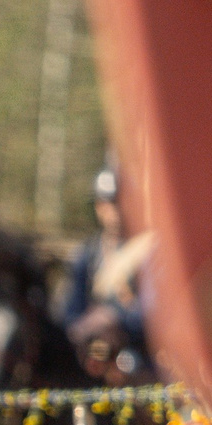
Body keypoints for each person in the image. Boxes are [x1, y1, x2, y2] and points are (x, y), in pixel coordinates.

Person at [59, 162, 155, 380]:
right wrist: (86, 329)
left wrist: (117, 317)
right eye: (107, 203)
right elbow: (70, 313)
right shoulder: (88, 254)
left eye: (120, 202)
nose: (114, 210)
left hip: (142, 355)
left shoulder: (150, 252)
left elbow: (160, 313)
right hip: (96, 357)